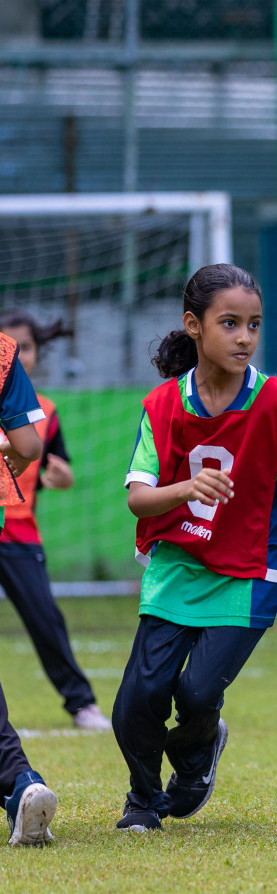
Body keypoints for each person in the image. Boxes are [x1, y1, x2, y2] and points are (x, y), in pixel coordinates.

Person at [114, 264, 277, 833]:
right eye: (229, 323)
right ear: (194, 326)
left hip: (255, 566)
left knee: (198, 689)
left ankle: (197, 754)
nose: (244, 337)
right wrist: (185, 488)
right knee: (139, 697)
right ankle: (142, 800)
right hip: (180, 562)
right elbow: (139, 500)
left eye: (253, 325)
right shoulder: (161, 406)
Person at [0, 311, 109, 730]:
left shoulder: (46, 410)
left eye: (24, 347)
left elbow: (55, 469)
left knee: (45, 617)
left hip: (19, 529)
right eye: (11, 346)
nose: (16, 356)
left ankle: (82, 704)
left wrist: (60, 477)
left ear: (37, 354)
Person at [0, 329, 60, 845]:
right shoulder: (2, 352)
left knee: (47, 620)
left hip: (23, 535)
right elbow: (28, 445)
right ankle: (19, 782)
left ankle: (16, 779)